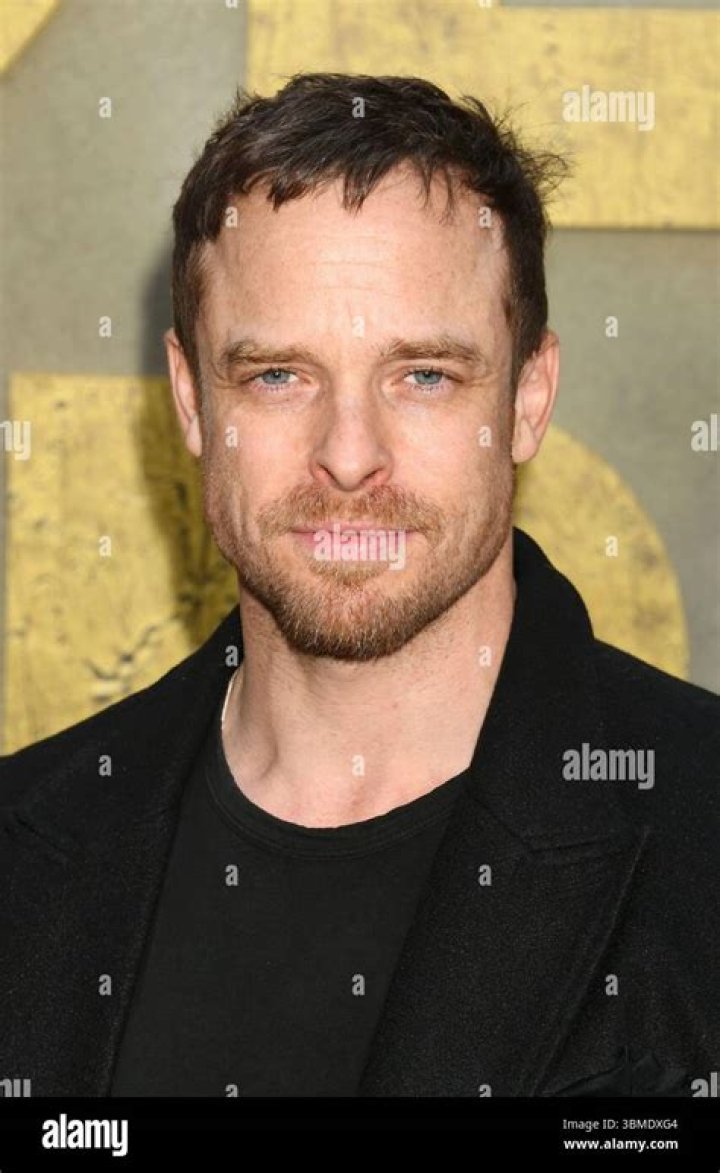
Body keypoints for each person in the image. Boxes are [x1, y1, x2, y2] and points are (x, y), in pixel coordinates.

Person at [1, 73, 718, 1099]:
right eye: (277, 376)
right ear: (192, 403)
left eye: (423, 375)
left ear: (528, 399)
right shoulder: (25, 847)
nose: (347, 456)